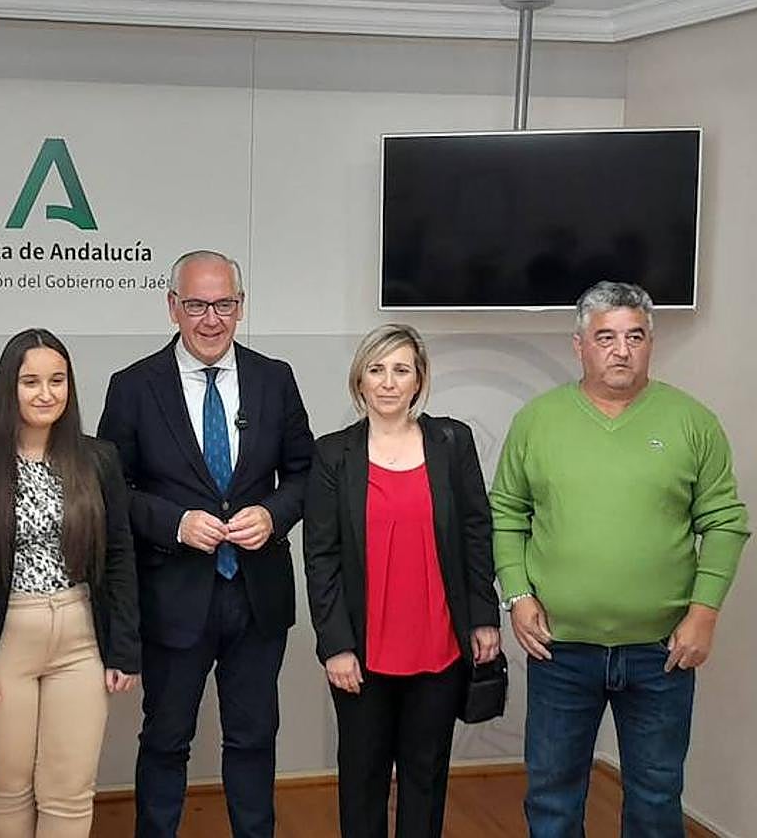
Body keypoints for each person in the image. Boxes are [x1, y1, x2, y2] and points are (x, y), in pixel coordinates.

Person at [491, 281, 750, 837]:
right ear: (579, 345)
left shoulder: (692, 422)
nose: (621, 349)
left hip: (661, 653)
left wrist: (704, 612)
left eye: (635, 336)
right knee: (552, 797)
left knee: (656, 798)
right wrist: (517, 593)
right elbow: (506, 513)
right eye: (605, 336)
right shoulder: (537, 421)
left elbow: (725, 522)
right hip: (561, 648)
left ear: (651, 344)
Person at [98, 250, 314, 838]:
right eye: (196, 305)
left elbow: (305, 475)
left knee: (253, 739)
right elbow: (112, 489)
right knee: (166, 741)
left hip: (256, 595)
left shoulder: (276, 378)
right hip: (173, 599)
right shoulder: (134, 386)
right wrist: (173, 523)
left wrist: (272, 516)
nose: (211, 319)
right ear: (173, 307)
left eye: (223, 304)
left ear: (240, 308)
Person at [302, 323, 500, 838]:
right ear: (360, 381)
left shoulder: (453, 442)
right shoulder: (332, 455)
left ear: (419, 380)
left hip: (440, 645)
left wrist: (483, 616)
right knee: (362, 778)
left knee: (426, 775)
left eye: (401, 370)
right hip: (363, 653)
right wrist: (336, 646)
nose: (388, 382)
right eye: (376, 369)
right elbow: (321, 558)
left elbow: (477, 531)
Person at [0, 327, 140, 838]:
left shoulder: (97, 459)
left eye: (57, 380)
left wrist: (123, 649)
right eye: (31, 381)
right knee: (8, 790)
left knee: (70, 791)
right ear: (10, 387)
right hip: (0, 642)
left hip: (80, 640)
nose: (46, 393)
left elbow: (118, 556)